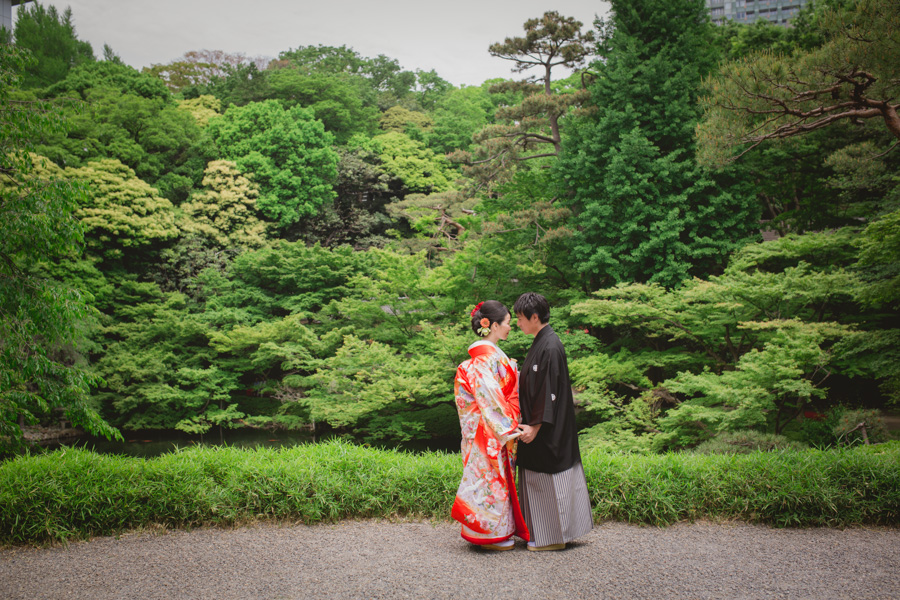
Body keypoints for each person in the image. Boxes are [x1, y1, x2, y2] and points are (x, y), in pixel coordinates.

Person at [513, 292, 593, 551]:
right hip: (542, 424)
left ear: (535, 317)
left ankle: (553, 538)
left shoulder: (550, 345)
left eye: (521, 318)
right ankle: (543, 533)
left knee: (549, 479)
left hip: (548, 429)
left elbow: (549, 391)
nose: (518, 323)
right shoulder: (542, 342)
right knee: (539, 481)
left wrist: (535, 426)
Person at [451, 300, 530, 551]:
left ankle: (496, 530)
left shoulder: (489, 356)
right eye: (507, 323)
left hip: (487, 429)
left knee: (492, 481)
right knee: (486, 481)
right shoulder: (483, 359)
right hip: (487, 430)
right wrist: (509, 423)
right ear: (494, 326)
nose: (510, 327)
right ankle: (487, 535)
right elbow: (490, 399)